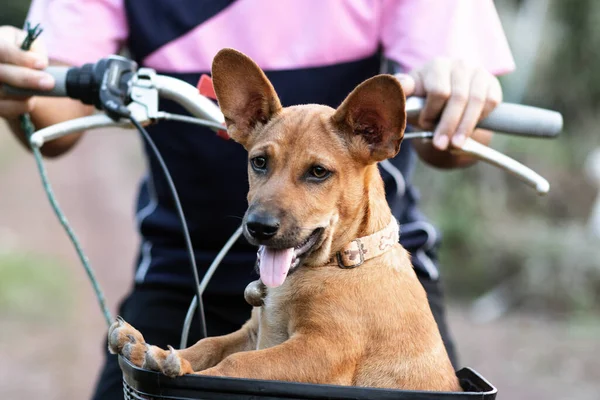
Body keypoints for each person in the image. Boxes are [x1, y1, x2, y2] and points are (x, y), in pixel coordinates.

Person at [0, 1, 514, 399]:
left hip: (368, 261)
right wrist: (17, 79)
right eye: (261, 164)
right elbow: (57, 109)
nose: (267, 205)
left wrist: (461, 95)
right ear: (240, 123)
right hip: (185, 271)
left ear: (376, 133)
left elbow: (468, 137)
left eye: (315, 173)